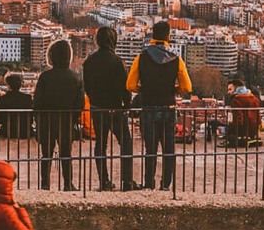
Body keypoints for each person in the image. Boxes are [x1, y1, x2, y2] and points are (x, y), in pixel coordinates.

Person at [126, 21, 192, 191]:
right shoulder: (176, 58)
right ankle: (165, 184)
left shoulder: (141, 57)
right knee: (168, 149)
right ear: (168, 36)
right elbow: (187, 87)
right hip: (168, 108)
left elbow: (130, 85)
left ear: (152, 35)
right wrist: (173, 89)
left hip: (149, 107)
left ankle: (149, 183)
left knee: (150, 148)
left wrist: (145, 88)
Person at [82, 26, 138, 191]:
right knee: (125, 144)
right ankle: (127, 181)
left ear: (98, 41)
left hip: (98, 108)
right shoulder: (118, 62)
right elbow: (125, 88)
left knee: (100, 144)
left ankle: (104, 181)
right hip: (116, 109)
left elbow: (88, 88)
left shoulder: (89, 62)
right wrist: (127, 105)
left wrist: (94, 101)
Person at [33, 40, 84, 191]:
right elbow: (79, 104)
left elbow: (37, 102)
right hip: (66, 120)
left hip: (47, 120)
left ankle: (45, 184)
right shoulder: (76, 77)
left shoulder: (45, 77)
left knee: (46, 154)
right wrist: (73, 118)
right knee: (66, 154)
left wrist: (38, 120)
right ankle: (68, 184)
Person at [224, 79, 261, 147]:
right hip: (253, 130)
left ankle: (240, 141)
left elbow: (238, 120)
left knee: (229, 131)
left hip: (243, 129)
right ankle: (251, 140)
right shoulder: (254, 98)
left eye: (230, 89)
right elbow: (258, 118)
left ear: (236, 89)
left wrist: (230, 130)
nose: (228, 92)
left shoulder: (236, 100)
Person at [0, 75, 33, 139]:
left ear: (8, 85)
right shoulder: (28, 98)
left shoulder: (1, 99)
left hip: (7, 131)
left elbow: (0, 118)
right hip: (25, 131)